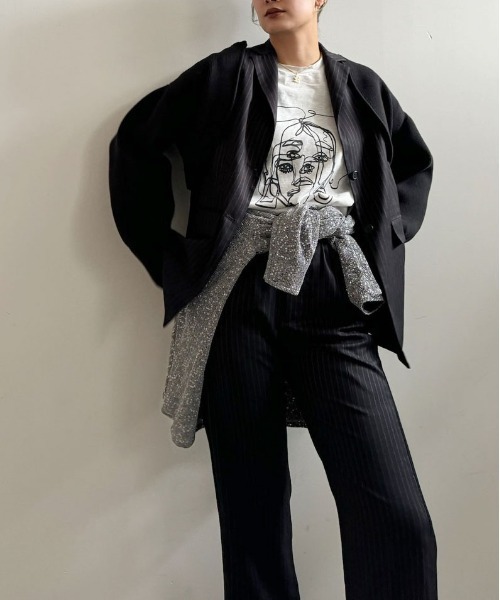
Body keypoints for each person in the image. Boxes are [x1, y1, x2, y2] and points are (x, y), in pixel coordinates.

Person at [108, 0, 438, 597]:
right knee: (252, 508)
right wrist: (171, 257)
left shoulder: (362, 86)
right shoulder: (223, 76)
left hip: (334, 287)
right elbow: (136, 146)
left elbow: (413, 165)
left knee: (396, 514)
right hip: (237, 289)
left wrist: (382, 236)